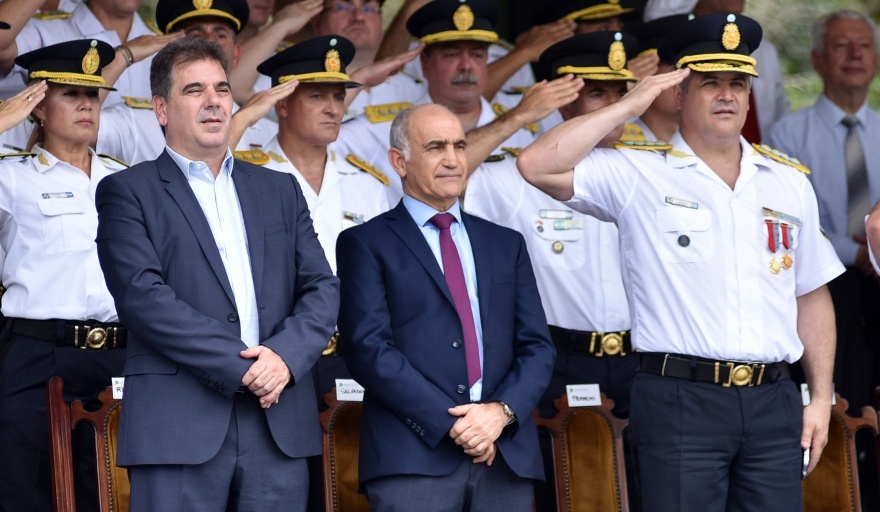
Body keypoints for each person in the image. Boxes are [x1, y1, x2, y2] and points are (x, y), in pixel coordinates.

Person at [517, 13, 843, 511]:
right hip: (681, 399)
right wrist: (628, 103)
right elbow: (536, 164)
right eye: (710, 83)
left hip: (772, 399)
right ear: (678, 93)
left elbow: (812, 293)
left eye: (738, 83)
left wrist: (819, 397)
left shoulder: (788, 182)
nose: (727, 95)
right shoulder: (637, 171)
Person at [94, 37, 339, 511]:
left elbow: (321, 287)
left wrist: (284, 359)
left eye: (222, 89)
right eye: (194, 90)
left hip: (277, 420)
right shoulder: (127, 191)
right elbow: (144, 298)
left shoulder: (280, 189)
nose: (214, 101)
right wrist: (246, 367)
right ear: (161, 109)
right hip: (179, 425)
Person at [336, 103, 555, 511]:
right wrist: (456, 424)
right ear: (399, 161)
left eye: (459, 146)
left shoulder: (505, 243)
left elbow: (537, 347)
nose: (453, 160)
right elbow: (368, 350)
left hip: (504, 455)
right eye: (436, 147)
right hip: (413, 457)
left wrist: (499, 414)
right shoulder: (365, 243)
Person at [463, 31, 639, 512]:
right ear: (564, 99)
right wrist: (518, 117)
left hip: (639, 360)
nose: (613, 108)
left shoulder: (648, 170)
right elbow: (441, 177)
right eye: (597, 94)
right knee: (559, 492)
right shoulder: (514, 172)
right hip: (557, 359)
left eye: (620, 94)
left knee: (641, 489)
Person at [0, 39, 128, 512]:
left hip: (118, 354)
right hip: (39, 353)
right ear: (37, 106)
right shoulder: (12, 176)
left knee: (111, 493)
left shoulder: (125, 179)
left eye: (92, 94)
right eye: (70, 93)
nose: (85, 105)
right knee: (27, 488)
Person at [767, 10, 880, 414]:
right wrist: (861, 252)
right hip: (825, 288)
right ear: (817, 59)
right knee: (837, 406)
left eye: (864, 45)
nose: (855, 54)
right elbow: (790, 224)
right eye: (841, 45)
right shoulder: (786, 134)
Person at [335, 0, 536, 204]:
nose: (466, 66)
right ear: (425, 63)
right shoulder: (382, 129)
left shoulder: (522, 131)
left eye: (477, 55)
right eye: (451, 55)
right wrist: (360, 79)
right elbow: (319, 146)